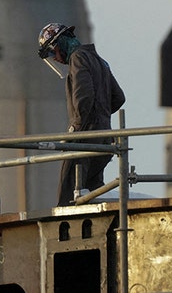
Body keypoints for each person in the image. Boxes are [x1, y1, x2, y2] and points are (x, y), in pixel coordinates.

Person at [37, 22, 126, 206]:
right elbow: (118, 97)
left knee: (70, 187)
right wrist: (101, 115)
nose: (55, 58)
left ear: (60, 43)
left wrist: (76, 130)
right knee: (93, 191)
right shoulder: (99, 60)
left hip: (86, 134)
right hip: (104, 136)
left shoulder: (78, 59)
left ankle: (62, 231)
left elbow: (83, 97)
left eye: (53, 52)